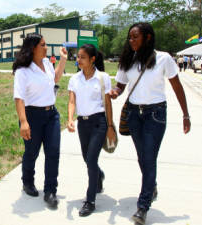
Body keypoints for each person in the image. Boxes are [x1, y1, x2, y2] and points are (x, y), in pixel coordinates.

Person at [110, 22, 191, 225]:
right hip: (134, 115)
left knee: (148, 157)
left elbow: (176, 85)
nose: (131, 41)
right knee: (142, 157)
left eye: (135, 37)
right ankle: (151, 184)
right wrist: (115, 92)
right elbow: (121, 84)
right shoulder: (128, 59)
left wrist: (185, 114)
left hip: (155, 114)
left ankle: (143, 206)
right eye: (129, 37)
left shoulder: (163, 58)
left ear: (147, 37)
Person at [13, 33, 67, 208]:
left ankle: (50, 190)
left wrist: (62, 60)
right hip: (32, 116)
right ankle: (27, 181)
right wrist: (23, 122)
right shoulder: (23, 71)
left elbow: (56, 79)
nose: (46, 48)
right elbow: (19, 98)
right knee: (32, 152)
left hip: (52, 115)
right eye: (43, 45)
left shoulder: (47, 63)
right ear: (33, 48)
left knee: (53, 152)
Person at [67, 44, 116, 217]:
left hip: (99, 123)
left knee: (91, 158)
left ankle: (90, 200)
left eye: (82, 57)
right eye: (78, 57)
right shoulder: (75, 79)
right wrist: (70, 119)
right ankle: (99, 175)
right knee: (87, 159)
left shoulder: (103, 78)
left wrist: (110, 126)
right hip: (83, 124)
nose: (78, 60)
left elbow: (108, 103)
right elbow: (72, 101)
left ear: (92, 59)